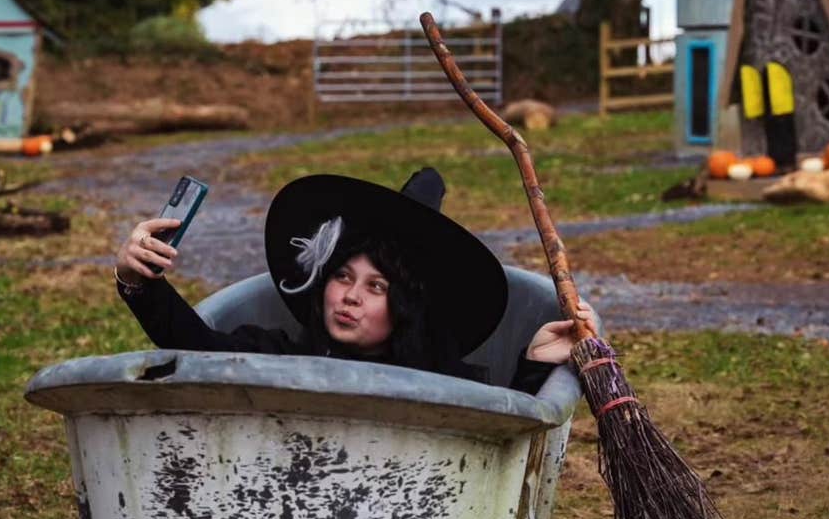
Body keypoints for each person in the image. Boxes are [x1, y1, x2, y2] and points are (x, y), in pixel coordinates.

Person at [114, 168, 597, 394]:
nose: (350, 296)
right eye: (343, 276)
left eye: (377, 287)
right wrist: (139, 280)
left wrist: (535, 363)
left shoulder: (437, 382)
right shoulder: (283, 357)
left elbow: (504, 430)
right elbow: (196, 345)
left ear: (403, 307)